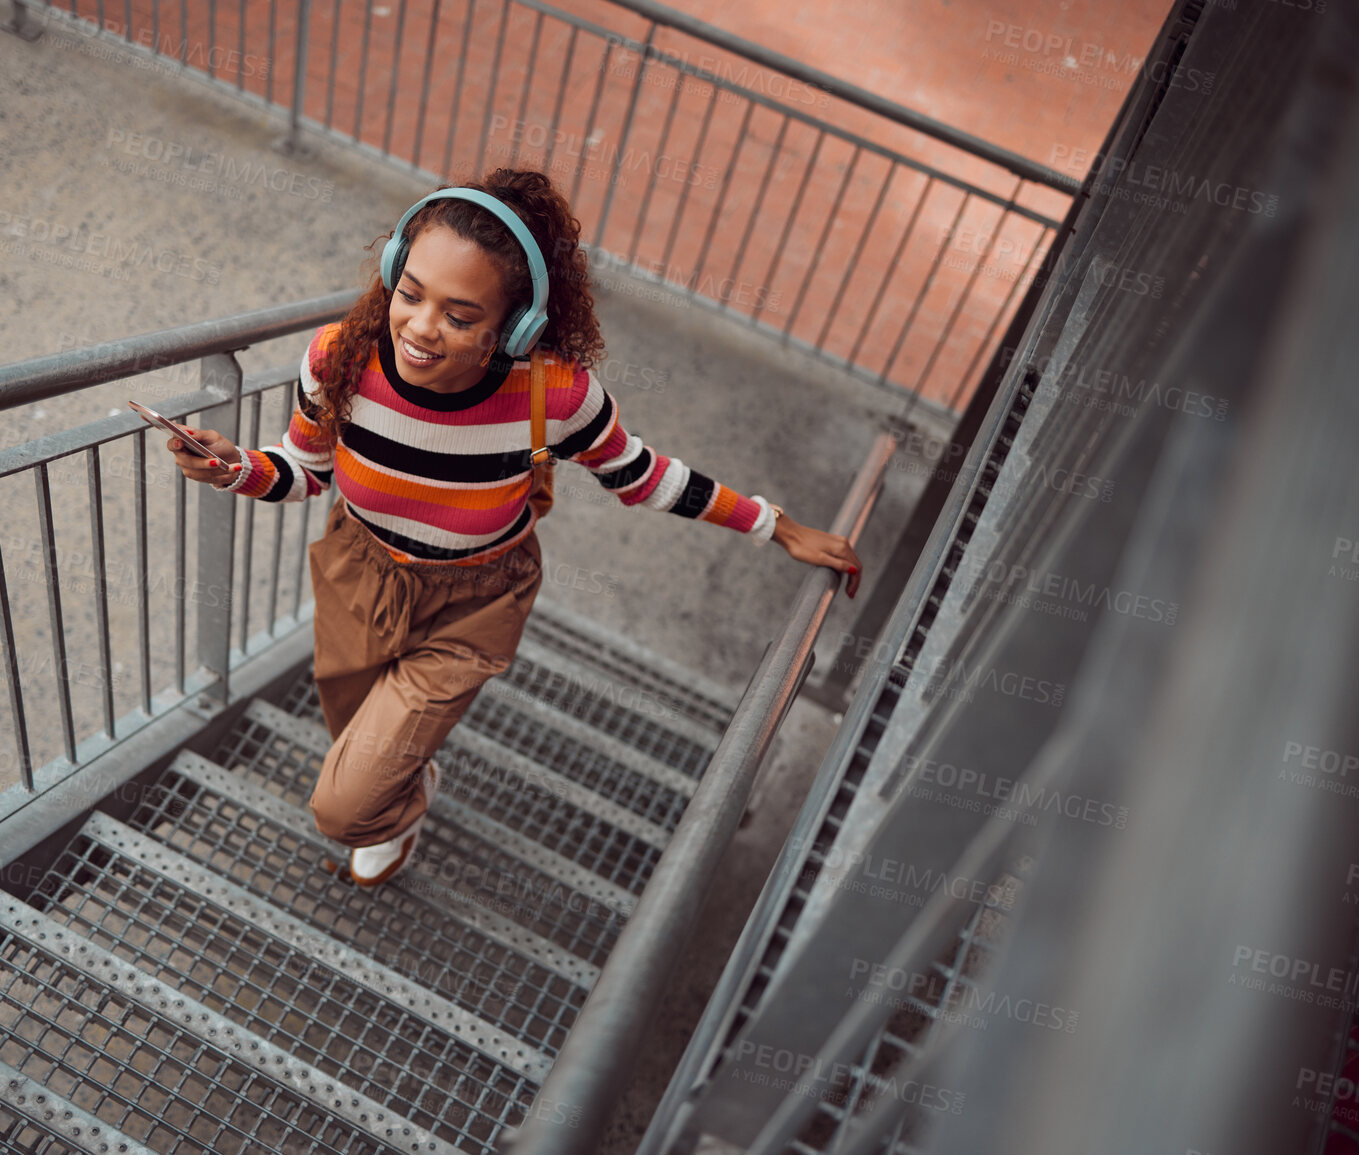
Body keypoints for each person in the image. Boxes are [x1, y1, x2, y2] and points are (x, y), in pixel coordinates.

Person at [164, 168, 863, 888]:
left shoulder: (553, 396)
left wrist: (773, 526)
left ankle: (402, 810)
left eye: (460, 316)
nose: (421, 328)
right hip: (356, 573)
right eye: (410, 293)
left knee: (346, 806)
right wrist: (235, 469)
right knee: (354, 735)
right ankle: (402, 775)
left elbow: (643, 476)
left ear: (517, 325)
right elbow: (306, 469)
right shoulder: (337, 358)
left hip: (475, 602)